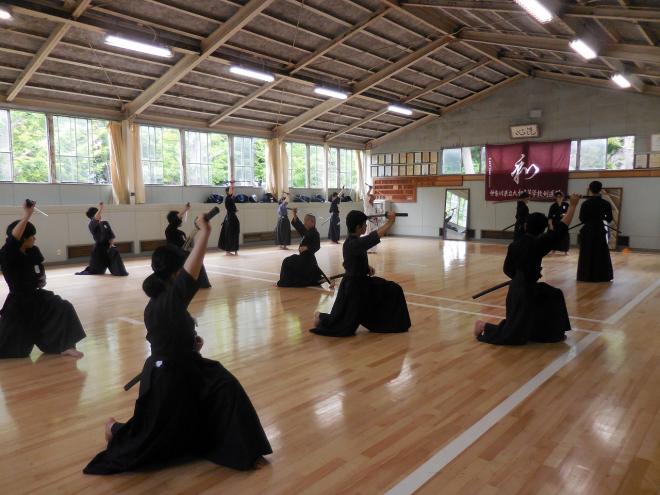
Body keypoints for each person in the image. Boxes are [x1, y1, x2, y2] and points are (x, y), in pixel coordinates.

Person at [84, 213, 272, 475]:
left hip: (185, 364)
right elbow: (190, 275)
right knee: (155, 436)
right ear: (175, 273)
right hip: (167, 376)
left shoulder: (165, 301)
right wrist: (205, 232)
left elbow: (168, 335)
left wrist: (191, 345)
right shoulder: (166, 302)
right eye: (180, 270)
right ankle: (114, 429)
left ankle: (244, 450)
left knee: (225, 387)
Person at [473, 194, 580, 346]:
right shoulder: (539, 243)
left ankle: (544, 331)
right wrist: (573, 206)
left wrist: (519, 276)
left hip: (519, 289)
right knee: (513, 336)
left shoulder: (516, 244)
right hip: (523, 293)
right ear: (542, 230)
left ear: (525, 226)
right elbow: (561, 228)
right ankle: (483, 325)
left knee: (553, 295)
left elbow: (507, 269)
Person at [0, 202, 85, 358]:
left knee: (63, 307)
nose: (35, 238)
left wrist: (41, 278)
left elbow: (39, 268)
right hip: (18, 302)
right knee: (10, 350)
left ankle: (66, 346)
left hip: (37, 296)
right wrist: (27, 215)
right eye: (31, 236)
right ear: (23, 238)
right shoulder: (7, 254)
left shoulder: (33, 251)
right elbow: (12, 240)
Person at [311, 210, 411, 337]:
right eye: (364, 224)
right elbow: (374, 237)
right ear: (358, 227)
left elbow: (351, 261)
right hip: (354, 288)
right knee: (344, 325)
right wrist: (390, 222)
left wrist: (366, 267)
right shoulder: (353, 243)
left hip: (361, 283)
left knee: (393, 289)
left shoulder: (354, 241)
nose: (366, 226)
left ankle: (393, 323)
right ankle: (320, 317)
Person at [277, 208, 327, 288]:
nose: (304, 222)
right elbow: (299, 225)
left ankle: (285, 282)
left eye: (306, 220)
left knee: (287, 261)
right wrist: (294, 214)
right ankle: (287, 281)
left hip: (307, 260)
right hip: (303, 259)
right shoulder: (307, 231)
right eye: (304, 220)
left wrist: (306, 247)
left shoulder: (315, 233)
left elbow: (317, 246)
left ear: (312, 222)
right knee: (289, 261)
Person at [76, 202, 128, 276]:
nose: (100, 215)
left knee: (116, 266)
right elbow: (96, 217)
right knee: (97, 271)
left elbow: (110, 234)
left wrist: (111, 244)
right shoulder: (91, 224)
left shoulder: (104, 223)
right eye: (97, 213)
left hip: (107, 247)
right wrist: (100, 208)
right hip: (99, 249)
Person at [165, 204, 211, 289]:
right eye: (180, 218)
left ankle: (202, 284)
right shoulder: (169, 230)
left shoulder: (181, 233)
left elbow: (186, 244)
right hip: (174, 255)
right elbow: (175, 220)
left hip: (183, 253)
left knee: (198, 261)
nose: (181, 220)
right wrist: (185, 209)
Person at [577, 181, 614, 282]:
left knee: (587, 252)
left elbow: (582, 219)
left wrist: (591, 219)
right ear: (600, 190)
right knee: (600, 253)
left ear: (590, 189)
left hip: (588, 230)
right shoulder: (606, 203)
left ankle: (585, 276)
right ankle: (602, 276)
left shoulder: (585, 203)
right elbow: (609, 218)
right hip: (599, 229)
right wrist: (601, 217)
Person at [218, 182, 240, 256]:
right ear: (228, 192)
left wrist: (235, 209)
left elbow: (233, 208)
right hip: (230, 218)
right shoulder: (228, 199)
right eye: (231, 190)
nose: (233, 191)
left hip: (231, 217)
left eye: (232, 190)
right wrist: (235, 210)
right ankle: (228, 251)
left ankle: (235, 250)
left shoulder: (230, 198)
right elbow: (231, 208)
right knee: (229, 234)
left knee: (234, 233)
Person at [364, 185, 380, 253]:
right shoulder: (367, 204)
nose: (373, 198)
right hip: (369, 221)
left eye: (374, 197)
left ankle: (373, 249)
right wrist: (370, 189)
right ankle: (368, 249)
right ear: (369, 198)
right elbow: (366, 195)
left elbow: (376, 213)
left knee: (374, 235)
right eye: (372, 197)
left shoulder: (374, 205)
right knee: (368, 235)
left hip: (374, 222)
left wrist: (377, 219)